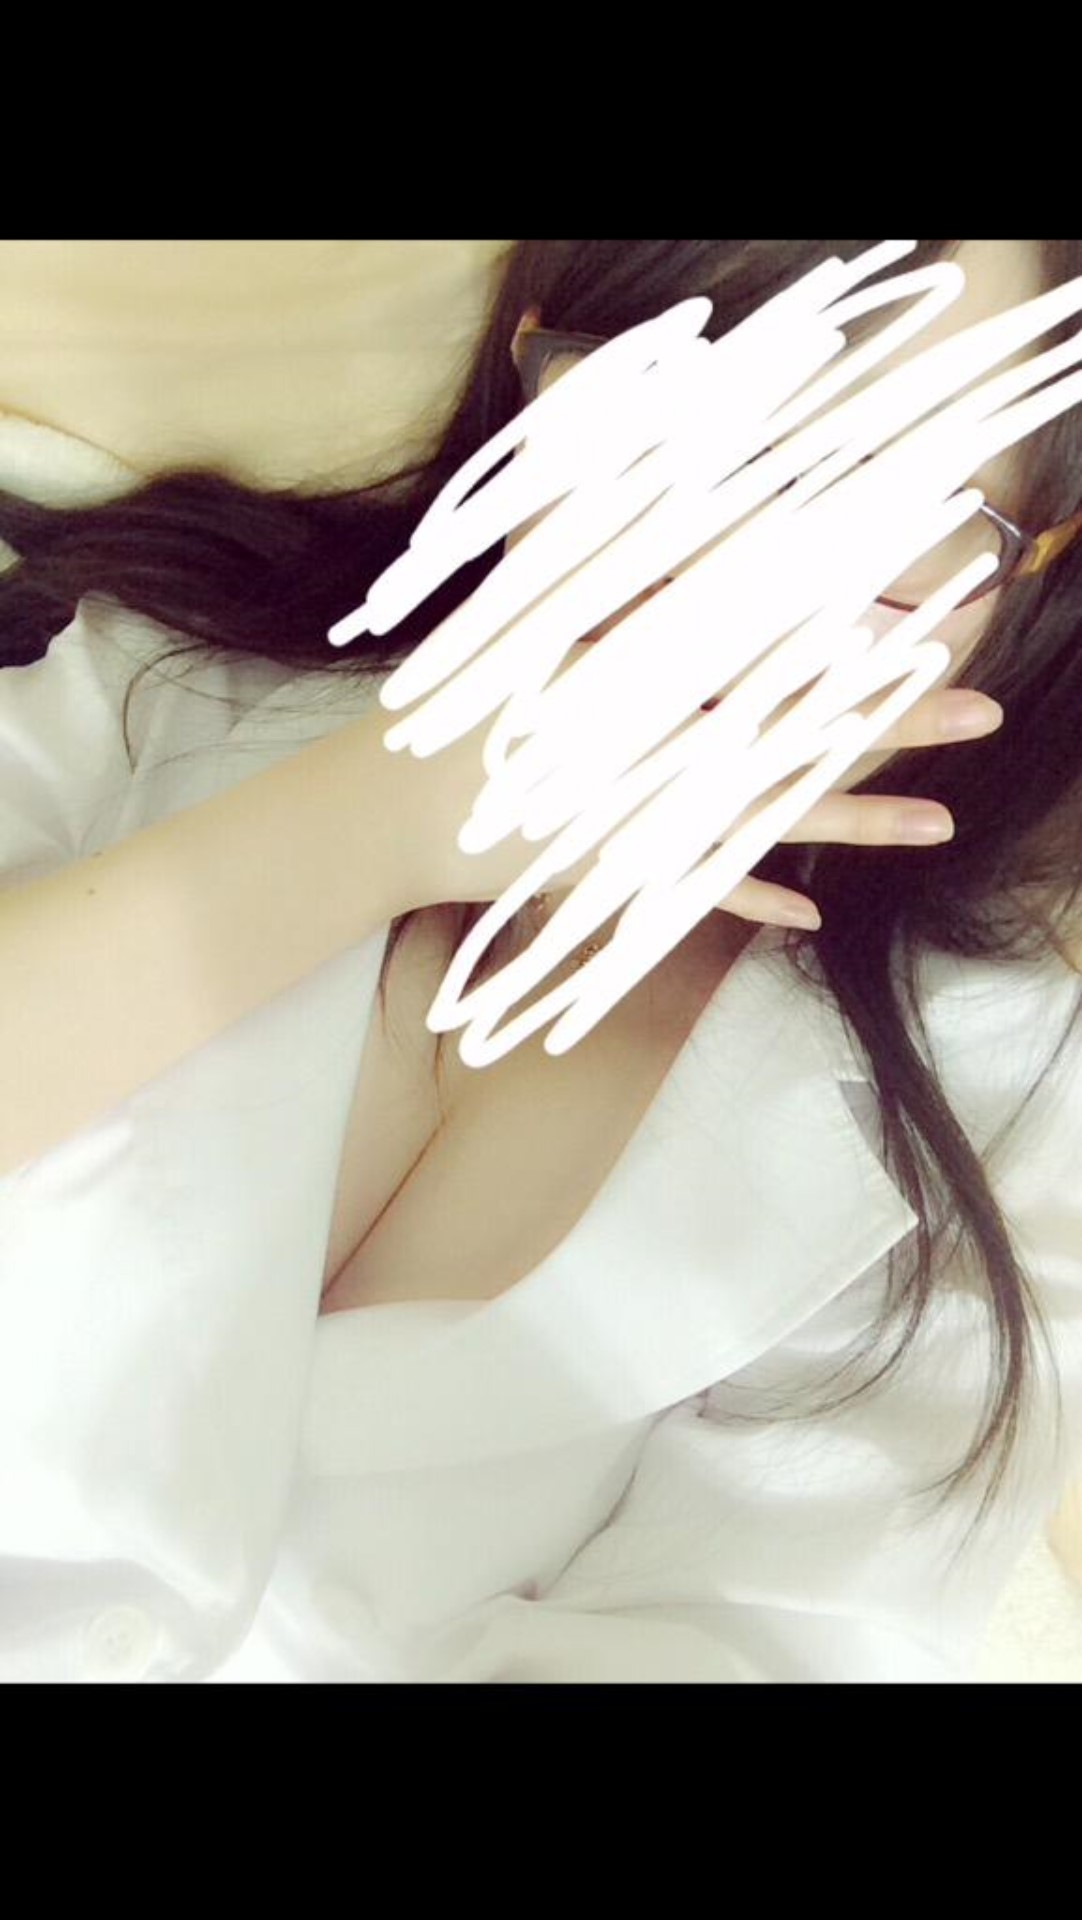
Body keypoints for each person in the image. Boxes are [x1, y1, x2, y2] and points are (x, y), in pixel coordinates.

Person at [1, 239, 1081, 1684]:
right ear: (536, 368)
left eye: (906, 502)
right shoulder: (149, 680)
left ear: (1028, 571)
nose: (741, 569)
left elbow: (774, 1642)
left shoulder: (1008, 1094)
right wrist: (393, 814)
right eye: (684, 411)